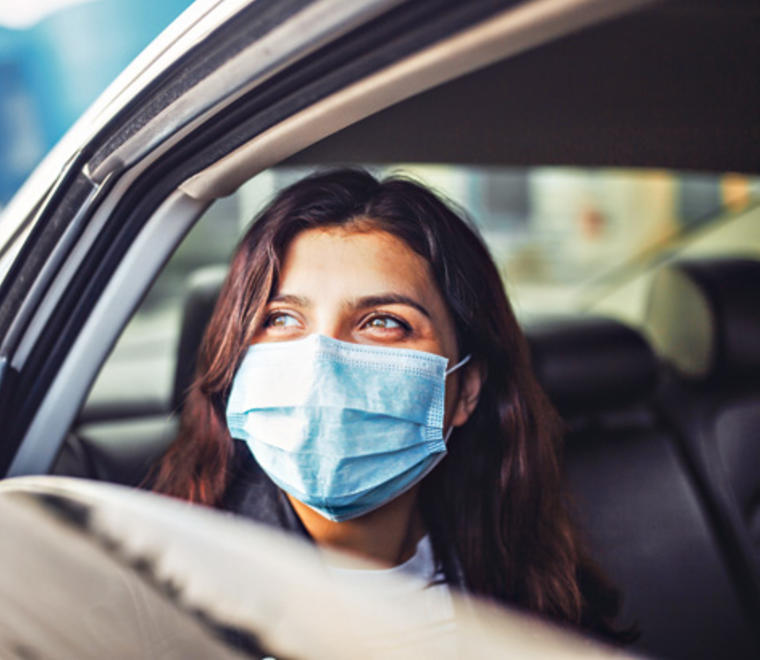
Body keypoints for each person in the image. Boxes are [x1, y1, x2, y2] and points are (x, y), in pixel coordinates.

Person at [150, 168, 627, 640]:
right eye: (280, 318)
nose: (321, 364)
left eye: (383, 322)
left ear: (466, 389)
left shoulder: (535, 596)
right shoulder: (153, 596)